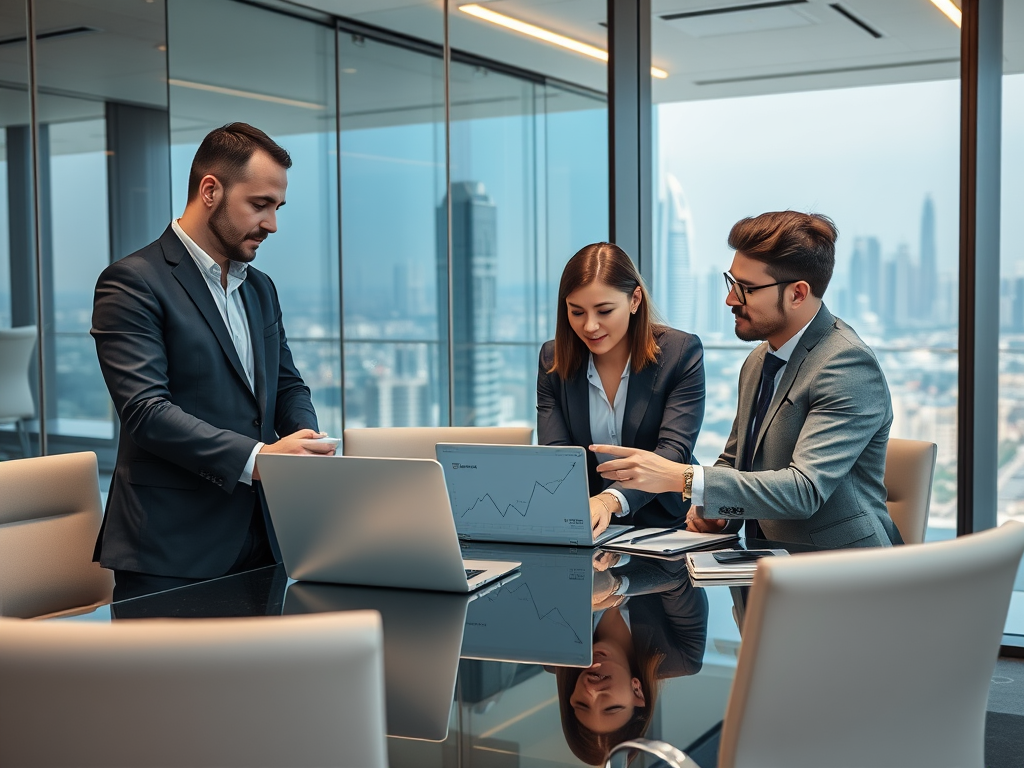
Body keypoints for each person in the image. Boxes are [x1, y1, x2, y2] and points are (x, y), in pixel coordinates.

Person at [92, 122, 336, 601]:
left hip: (265, 540)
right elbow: (146, 411)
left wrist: (306, 442)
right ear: (210, 190)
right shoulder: (131, 282)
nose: (272, 224)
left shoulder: (260, 288)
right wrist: (260, 458)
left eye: (277, 207)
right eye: (260, 205)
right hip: (172, 551)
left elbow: (287, 385)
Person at [593, 211, 902, 548]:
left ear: (798, 294)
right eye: (732, 283)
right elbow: (736, 461)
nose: (730, 299)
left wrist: (678, 477)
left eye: (748, 289)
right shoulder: (759, 360)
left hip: (845, 573)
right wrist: (720, 513)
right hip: (765, 565)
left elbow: (804, 491)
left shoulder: (846, 364)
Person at [537, 242, 705, 537]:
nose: (590, 326)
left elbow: (672, 452)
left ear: (634, 300)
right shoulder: (553, 360)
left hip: (664, 526)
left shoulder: (680, 353)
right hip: (587, 525)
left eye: (604, 311)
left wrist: (610, 500)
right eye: (576, 312)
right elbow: (557, 456)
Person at [554, 554, 709, 764]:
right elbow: (678, 572)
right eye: (611, 708)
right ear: (637, 691)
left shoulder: (553, 652)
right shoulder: (681, 656)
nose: (592, 691)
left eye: (582, 704)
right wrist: (617, 585)